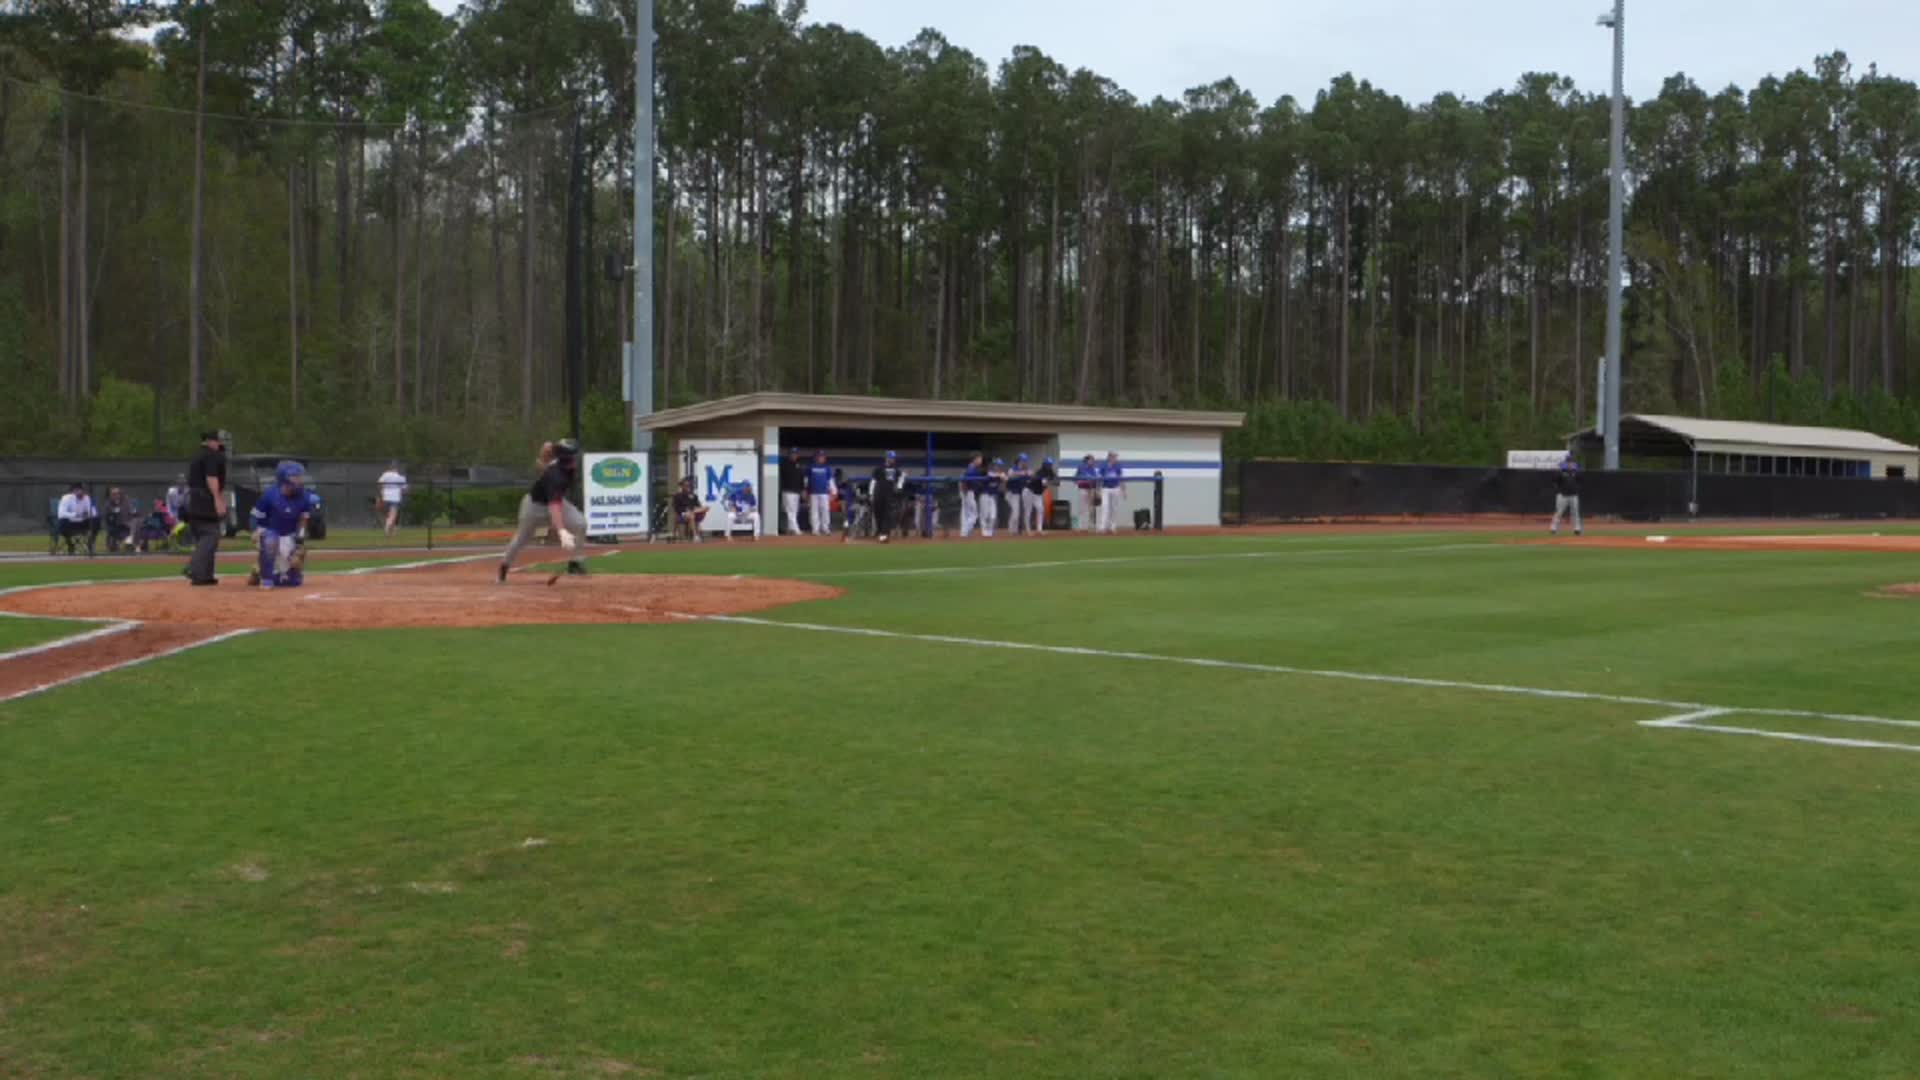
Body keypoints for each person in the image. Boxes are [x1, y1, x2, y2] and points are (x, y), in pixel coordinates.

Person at [499, 439, 588, 583]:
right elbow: (554, 507)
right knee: (522, 539)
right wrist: (562, 531)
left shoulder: (564, 465)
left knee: (580, 524)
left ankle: (575, 563)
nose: (576, 459)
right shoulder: (556, 476)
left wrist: (548, 449)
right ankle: (504, 565)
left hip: (556, 502)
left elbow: (548, 448)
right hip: (534, 507)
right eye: (573, 456)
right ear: (565, 458)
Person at [246, 462, 321, 589]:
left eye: (299, 476)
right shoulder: (270, 495)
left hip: (287, 535)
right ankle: (266, 579)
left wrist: (299, 543)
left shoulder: (304, 497)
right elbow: (254, 516)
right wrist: (254, 532)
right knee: (270, 539)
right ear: (284, 478)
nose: (299, 480)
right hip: (268, 532)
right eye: (295, 477)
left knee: (292, 581)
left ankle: (258, 570)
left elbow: (303, 520)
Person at [184, 431, 228, 585]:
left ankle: (203, 575)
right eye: (217, 441)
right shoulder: (211, 455)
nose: (219, 444)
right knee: (211, 535)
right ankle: (194, 568)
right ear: (210, 441)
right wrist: (218, 499)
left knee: (203, 534)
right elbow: (211, 477)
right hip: (205, 499)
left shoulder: (197, 455)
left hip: (194, 499)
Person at [871, 450, 906, 543]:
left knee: (887, 514)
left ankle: (884, 534)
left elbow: (902, 476)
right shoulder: (879, 468)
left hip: (889, 494)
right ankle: (880, 532)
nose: (892, 459)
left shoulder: (896, 469)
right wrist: (871, 494)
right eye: (891, 458)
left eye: (893, 458)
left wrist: (899, 486)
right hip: (878, 493)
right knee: (878, 513)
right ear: (886, 458)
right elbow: (873, 481)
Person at [56, 483, 96, 556]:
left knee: (96, 520)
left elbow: (94, 512)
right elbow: (61, 514)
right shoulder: (66, 498)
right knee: (62, 522)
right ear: (73, 491)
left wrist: (88, 514)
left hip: (82, 522)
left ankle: (90, 543)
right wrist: (75, 514)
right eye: (77, 490)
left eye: (82, 490)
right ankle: (70, 544)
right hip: (70, 523)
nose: (80, 492)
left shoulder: (87, 498)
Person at [1551, 456, 1583, 536]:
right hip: (1563, 495)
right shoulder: (1561, 471)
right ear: (1566, 463)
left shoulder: (1576, 471)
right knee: (1559, 512)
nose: (1569, 464)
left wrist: (1577, 488)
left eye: (1571, 462)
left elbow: (1580, 480)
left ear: (1573, 463)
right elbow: (1555, 480)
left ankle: (1577, 529)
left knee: (1575, 512)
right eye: (1568, 462)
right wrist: (1558, 490)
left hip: (1573, 495)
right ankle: (1553, 528)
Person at [806, 450, 836, 537]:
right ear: (815, 457)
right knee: (814, 511)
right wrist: (805, 490)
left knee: (825, 510)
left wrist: (834, 491)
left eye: (822, 456)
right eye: (819, 456)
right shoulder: (810, 467)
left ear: (824, 458)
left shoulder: (827, 468)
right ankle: (815, 529)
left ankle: (825, 528)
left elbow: (830, 480)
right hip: (813, 492)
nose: (821, 458)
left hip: (824, 493)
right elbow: (806, 480)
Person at [377, 461, 408, 538]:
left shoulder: (385, 474)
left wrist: (380, 494)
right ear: (397, 469)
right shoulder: (401, 477)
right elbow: (404, 489)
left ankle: (390, 529)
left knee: (388, 514)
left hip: (385, 496)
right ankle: (388, 526)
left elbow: (379, 484)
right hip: (395, 497)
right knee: (393, 514)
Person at [672, 476, 707, 542]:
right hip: (682, 514)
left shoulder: (694, 495)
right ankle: (695, 536)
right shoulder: (677, 496)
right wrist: (685, 510)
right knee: (691, 515)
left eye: (688, 486)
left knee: (703, 509)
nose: (687, 487)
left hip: (693, 512)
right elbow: (676, 508)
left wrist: (702, 508)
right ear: (682, 486)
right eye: (685, 486)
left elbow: (698, 505)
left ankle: (697, 530)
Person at [959, 453, 986, 538]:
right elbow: (964, 481)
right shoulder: (971, 469)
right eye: (979, 459)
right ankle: (965, 531)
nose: (981, 461)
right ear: (975, 459)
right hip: (968, 492)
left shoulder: (973, 468)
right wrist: (965, 492)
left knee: (966, 513)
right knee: (974, 514)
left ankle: (964, 532)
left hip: (968, 492)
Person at [1098, 451, 1125, 534]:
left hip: (1115, 488)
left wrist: (1123, 490)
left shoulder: (1118, 466)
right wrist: (1098, 490)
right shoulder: (1103, 466)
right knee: (1105, 507)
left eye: (1116, 457)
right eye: (1114, 457)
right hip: (1105, 488)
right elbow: (1099, 479)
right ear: (1109, 457)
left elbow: (1121, 479)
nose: (1115, 458)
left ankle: (1113, 527)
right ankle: (1103, 527)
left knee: (1114, 508)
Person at [779, 448, 805, 536]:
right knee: (790, 511)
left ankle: (791, 529)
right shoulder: (784, 464)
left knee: (795, 511)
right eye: (792, 453)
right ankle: (796, 529)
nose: (794, 455)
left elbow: (801, 478)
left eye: (795, 453)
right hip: (787, 491)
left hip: (797, 491)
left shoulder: (799, 464)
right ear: (789, 454)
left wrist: (802, 489)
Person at [103, 487, 135, 553]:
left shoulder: (126, 502)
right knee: (112, 531)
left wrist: (130, 518)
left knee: (133, 527)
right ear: (111, 495)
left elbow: (130, 512)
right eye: (114, 494)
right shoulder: (108, 504)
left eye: (117, 494)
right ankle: (114, 545)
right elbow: (107, 516)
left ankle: (129, 544)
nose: (116, 496)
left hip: (125, 523)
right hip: (114, 524)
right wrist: (113, 512)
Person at [1006, 455, 1032, 535]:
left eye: (1025, 461)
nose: (1025, 463)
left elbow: (1030, 477)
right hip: (1010, 493)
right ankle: (1012, 529)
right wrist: (1022, 473)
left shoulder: (1025, 470)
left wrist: (1028, 474)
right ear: (1020, 461)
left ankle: (1013, 529)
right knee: (1015, 513)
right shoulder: (1012, 469)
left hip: (1017, 494)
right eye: (1024, 461)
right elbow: (1010, 475)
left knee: (1015, 513)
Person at [981, 459, 1006, 538]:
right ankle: (984, 531)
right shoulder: (987, 472)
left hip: (992, 496)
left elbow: (1005, 478)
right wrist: (1000, 475)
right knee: (985, 515)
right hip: (984, 495)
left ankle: (990, 531)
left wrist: (1002, 476)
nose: (998, 467)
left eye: (1000, 466)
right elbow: (991, 475)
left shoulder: (1000, 474)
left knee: (993, 516)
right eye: (997, 465)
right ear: (993, 465)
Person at [1074, 454, 1099, 532]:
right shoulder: (1081, 467)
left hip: (1090, 489)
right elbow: (1075, 478)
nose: (1093, 461)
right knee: (1082, 508)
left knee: (1090, 508)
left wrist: (1095, 490)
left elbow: (1095, 480)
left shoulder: (1093, 469)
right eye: (1091, 460)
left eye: (1093, 460)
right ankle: (1081, 526)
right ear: (1087, 460)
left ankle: (1089, 526)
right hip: (1082, 489)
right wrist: (1078, 482)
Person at [1032, 456, 1057, 534]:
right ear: (1044, 464)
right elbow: (1043, 483)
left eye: (1050, 464)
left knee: (1040, 509)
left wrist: (1052, 480)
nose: (1049, 466)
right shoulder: (1040, 472)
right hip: (1030, 492)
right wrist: (1050, 481)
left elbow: (1057, 482)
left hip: (1038, 494)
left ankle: (1039, 529)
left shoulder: (1050, 472)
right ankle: (1027, 529)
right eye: (1048, 464)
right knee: (1028, 511)